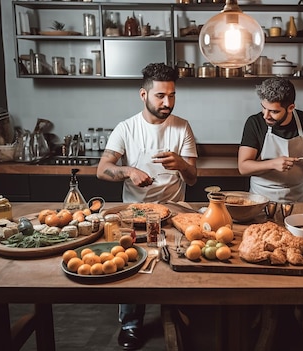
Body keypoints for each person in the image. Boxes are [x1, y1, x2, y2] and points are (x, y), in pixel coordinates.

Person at [96, 62, 198, 350]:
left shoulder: (182, 127)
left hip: (175, 214)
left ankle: (178, 314)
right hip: (134, 215)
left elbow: (193, 177)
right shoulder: (126, 128)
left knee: (175, 265)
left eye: (172, 95)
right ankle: (131, 324)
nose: (168, 102)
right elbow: (102, 169)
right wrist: (129, 171)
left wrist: (180, 164)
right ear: (143, 95)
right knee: (133, 266)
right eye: (160, 96)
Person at [238, 77, 303, 203]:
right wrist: (273, 164)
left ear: (291, 108)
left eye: (274, 111)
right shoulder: (255, 123)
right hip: (260, 201)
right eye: (264, 108)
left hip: (298, 201)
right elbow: (243, 167)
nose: (266, 115)